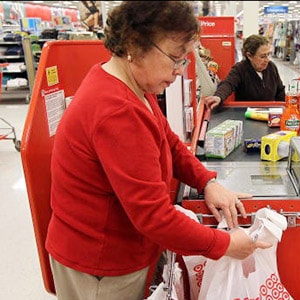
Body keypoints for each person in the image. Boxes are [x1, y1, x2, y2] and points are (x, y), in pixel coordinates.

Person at [46, 2, 271, 299]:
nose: (180, 71)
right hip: (100, 266)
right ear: (135, 45)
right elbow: (154, 216)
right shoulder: (116, 111)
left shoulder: (132, 85)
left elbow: (170, 142)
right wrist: (226, 244)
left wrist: (207, 181)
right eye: (176, 59)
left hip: (120, 248)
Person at [204, 34, 285, 109]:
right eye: (263, 56)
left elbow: (280, 90)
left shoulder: (271, 67)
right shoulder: (240, 69)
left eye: (268, 54)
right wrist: (218, 96)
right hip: (246, 114)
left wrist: (283, 108)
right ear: (249, 56)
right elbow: (228, 84)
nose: (267, 59)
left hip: (269, 114)